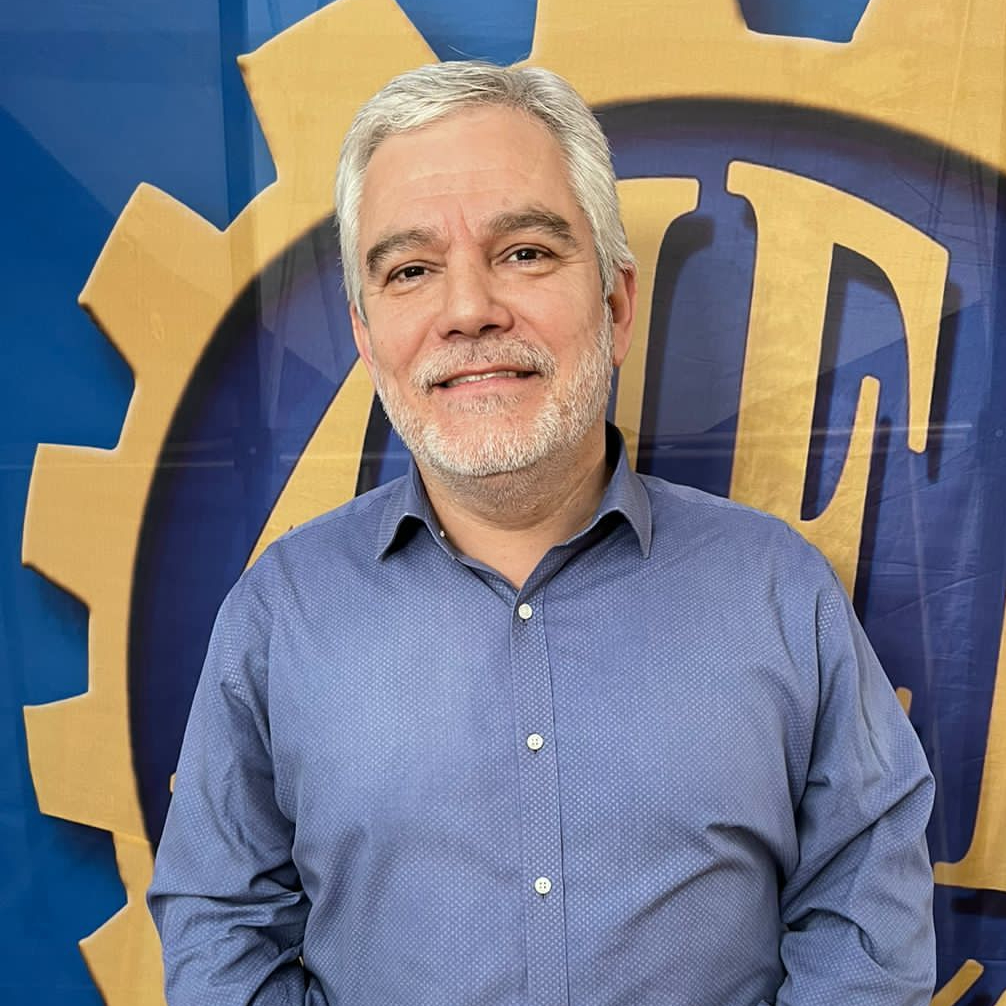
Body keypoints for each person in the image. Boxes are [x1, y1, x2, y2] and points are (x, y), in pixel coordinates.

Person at [148, 62, 935, 1005]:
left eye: (524, 252)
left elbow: (865, 916)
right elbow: (221, 930)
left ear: (616, 305)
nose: (469, 310)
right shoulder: (280, 617)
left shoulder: (780, 593)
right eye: (411, 271)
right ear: (365, 335)